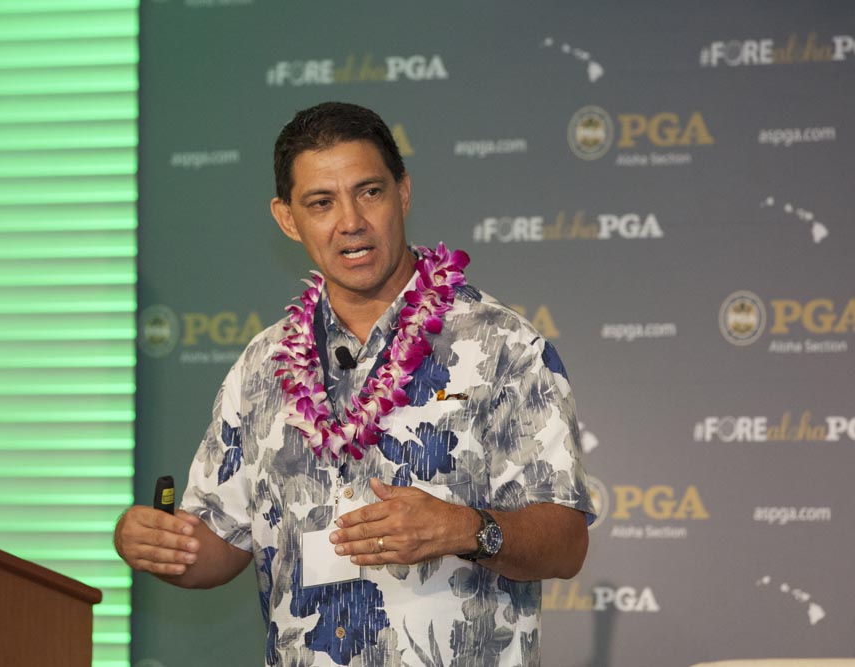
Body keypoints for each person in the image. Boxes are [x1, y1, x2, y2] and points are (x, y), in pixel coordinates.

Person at [115, 101, 595, 666]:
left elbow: (566, 542)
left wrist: (467, 529)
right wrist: (158, 543)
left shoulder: (503, 345)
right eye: (321, 202)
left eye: (369, 192)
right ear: (287, 218)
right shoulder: (262, 364)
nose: (350, 222)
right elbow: (218, 544)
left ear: (403, 193)